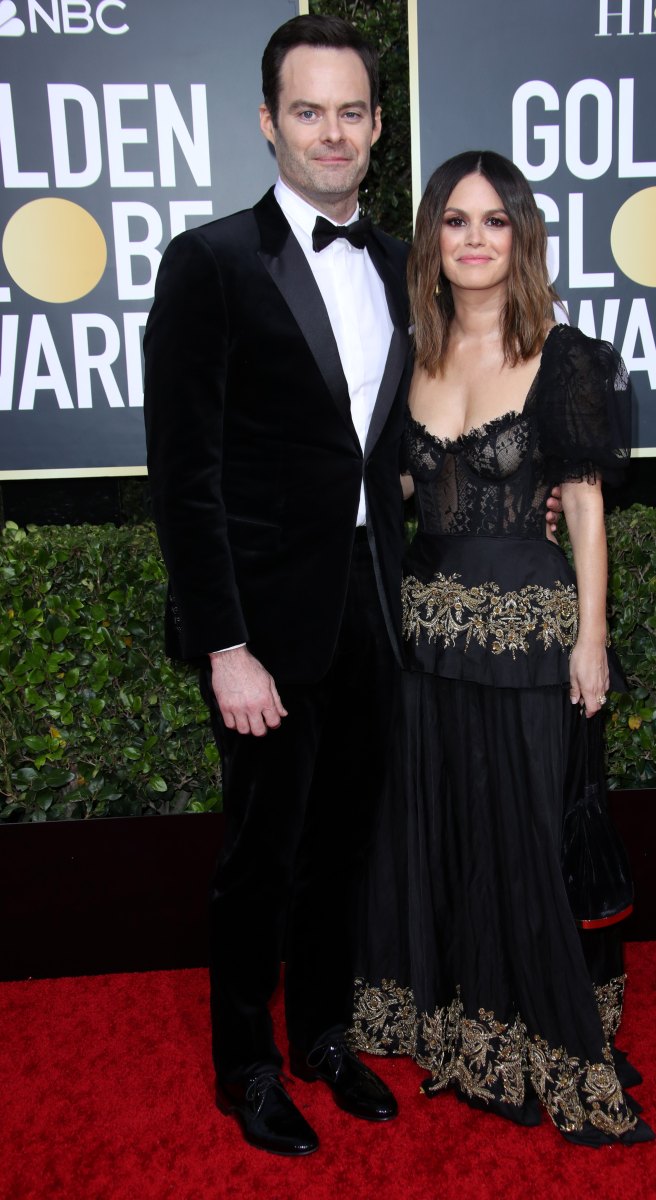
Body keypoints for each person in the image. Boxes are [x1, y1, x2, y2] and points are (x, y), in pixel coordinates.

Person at [143, 15, 411, 1157]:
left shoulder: (402, 262)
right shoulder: (208, 263)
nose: (332, 131)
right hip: (262, 618)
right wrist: (224, 645)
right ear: (268, 123)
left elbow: (415, 437)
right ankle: (245, 1066)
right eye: (308, 110)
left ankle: (324, 1039)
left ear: (377, 126)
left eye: (350, 110)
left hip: (372, 602)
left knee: (347, 840)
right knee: (263, 851)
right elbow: (183, 473)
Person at [350, 151, 655, 1146]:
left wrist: (592, 639)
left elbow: (583, 506)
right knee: (444, 832)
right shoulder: (412, 354)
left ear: (519, 235)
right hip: (425, 643)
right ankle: (461, 1025)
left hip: (529, 638)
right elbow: (393, 489)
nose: (473, 239)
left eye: (493, 220)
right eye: (453, 221)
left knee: (522, 835)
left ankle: (540, 1031)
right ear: (430, 241)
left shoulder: (561, 355)